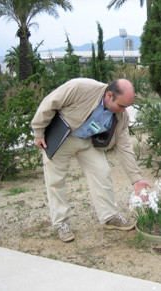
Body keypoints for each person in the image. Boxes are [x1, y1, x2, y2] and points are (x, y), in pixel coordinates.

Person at [32, 78, 150, 242]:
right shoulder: (81, 87)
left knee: (102, 172)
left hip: (87, 141)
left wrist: (136, 179)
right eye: (121, 106)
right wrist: (38, 131)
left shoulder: (121, 116)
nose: (123, 111)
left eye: (127, 107)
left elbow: (124, 146)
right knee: (55, 180)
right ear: (109, 95)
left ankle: (109, 216)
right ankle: (61, 223)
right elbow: (49, 102)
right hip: (62, 137)